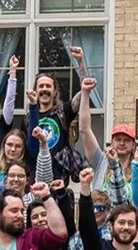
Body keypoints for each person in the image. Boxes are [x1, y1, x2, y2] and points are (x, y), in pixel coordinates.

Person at [24, 47, 89, 183]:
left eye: (48, 86)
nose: (44, 89)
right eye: (41, 86)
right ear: (35, 90)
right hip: (34, 182)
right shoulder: (28, 118)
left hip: (59, 183)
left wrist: (81, 61)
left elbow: (85, 90)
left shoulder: (62, 112)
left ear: (55, 92)